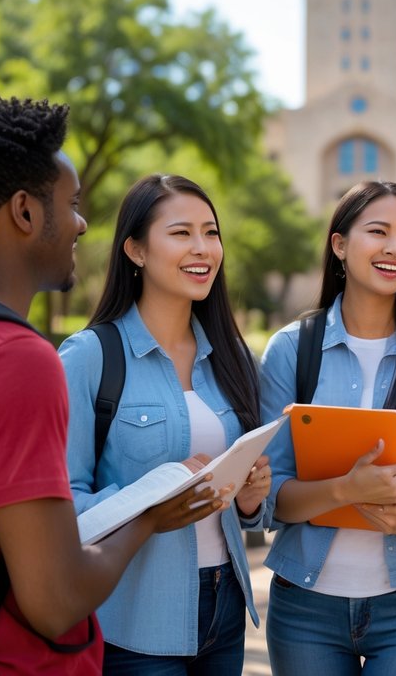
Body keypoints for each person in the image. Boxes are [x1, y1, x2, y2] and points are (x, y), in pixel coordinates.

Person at [0, 96, 222, 673]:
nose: (81, 223)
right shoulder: (17, 360)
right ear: (25, 212)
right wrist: (150, 514)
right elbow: (56, 602)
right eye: (71, 204)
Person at [258, 180, 396, 676]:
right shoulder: (291, 350)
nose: (395, 248)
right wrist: (344, 490)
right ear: (339, 245)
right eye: (378, 231)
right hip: (305, 609)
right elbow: (271, 496)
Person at [59, 174, 271, 674]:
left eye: (211, 233)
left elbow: (246, 510)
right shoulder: (89, 357)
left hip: (225, 606)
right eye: (181, 233)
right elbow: (62, 503)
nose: (203, 248)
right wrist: (153, 499)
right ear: (135, 250)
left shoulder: (235, 358)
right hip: (133, 617)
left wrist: (250, 496)